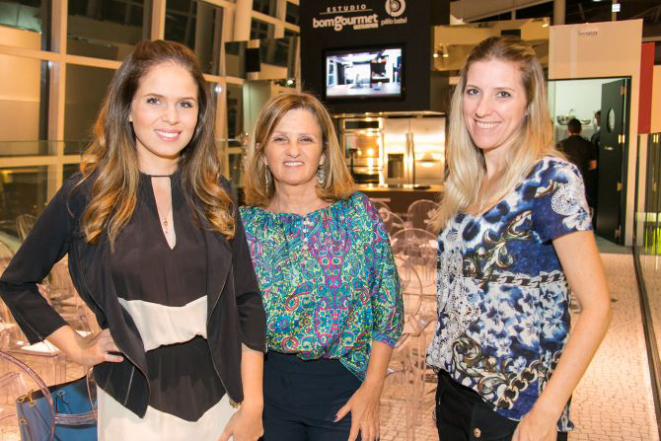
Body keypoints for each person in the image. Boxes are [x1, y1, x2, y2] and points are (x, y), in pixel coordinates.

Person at [0, 40, 266, 441]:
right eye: (155, 100)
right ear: (127, 108)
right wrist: (76, 347)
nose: (171, 118)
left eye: (185, 104)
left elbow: (247, 301)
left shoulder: (217, 194)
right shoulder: (87, 194)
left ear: (200, 115)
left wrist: (254, 406)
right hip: (133, 404)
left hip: (222, 399)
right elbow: (16, 282)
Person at [427, 36, 611, 441]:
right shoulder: (464, 180)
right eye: (473, 92)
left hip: (515, 404)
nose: (482, 108)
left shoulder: (549, 179)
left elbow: (597, 307)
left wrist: (547, 411)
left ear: (529, 104)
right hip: (455, 392)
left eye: (503, 94)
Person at [239, 92, 403, 441]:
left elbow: (388, 308)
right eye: (280, 139)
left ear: (324, 153)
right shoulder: (245, 225)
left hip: (342, 386)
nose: (293, 150)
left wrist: (372, 389)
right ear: (262, 152)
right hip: (266, 388)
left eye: (306, 139)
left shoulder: (356, 215)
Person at [556, 118, 597, 207]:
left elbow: (555, 165)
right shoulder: (589, 145)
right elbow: (594, 166)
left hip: (566, 180)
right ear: (581, 130)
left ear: (568, 130)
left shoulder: (560, 145)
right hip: (584, 180)